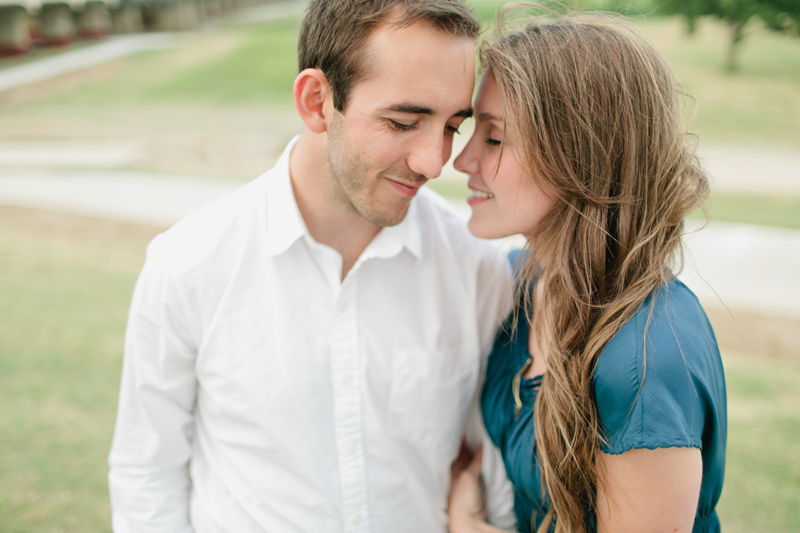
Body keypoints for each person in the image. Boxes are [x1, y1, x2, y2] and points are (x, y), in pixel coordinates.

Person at [107, 1, 519, 531]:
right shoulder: (188, 264)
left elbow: (488, 461)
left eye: (451, 127)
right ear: (317, 101)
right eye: (403, 122)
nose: (433, 163)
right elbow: (148, 473)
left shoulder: (478, 267)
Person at [447, 9, 727, 533]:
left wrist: (467, 524)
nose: (462, 161)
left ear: (578, 155)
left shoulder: (645, 357)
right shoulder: (524, 282)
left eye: (494, 138)